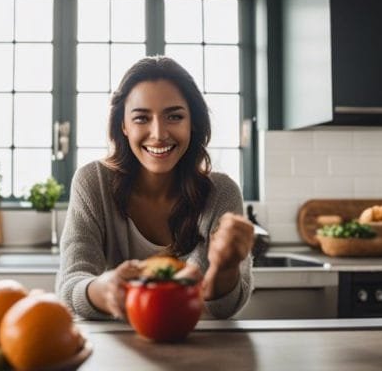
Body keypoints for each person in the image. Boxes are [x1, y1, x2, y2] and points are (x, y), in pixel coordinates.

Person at [56, 56, 254, 320]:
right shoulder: (93, 182)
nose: (159, 133)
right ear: (123, 126)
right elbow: (70, 285)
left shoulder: (222, 193)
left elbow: (222, 310)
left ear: (192, 123)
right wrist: (103, 290)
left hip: (196, 347)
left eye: (174, 116)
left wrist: (226, 268)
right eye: (141, 118)